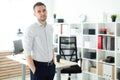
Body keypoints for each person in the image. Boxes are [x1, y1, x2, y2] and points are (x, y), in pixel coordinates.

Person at [23, 2, 56, 80]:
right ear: (34, 14)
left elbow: (51, 46)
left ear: (47, 11)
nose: (42, 13)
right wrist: (34, 70)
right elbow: (27, 52)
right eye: (39, 11)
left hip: (51, 67)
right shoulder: (30, 29)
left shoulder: (50, 28)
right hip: (38, 68)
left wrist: (53, 63)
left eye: (44, 10)